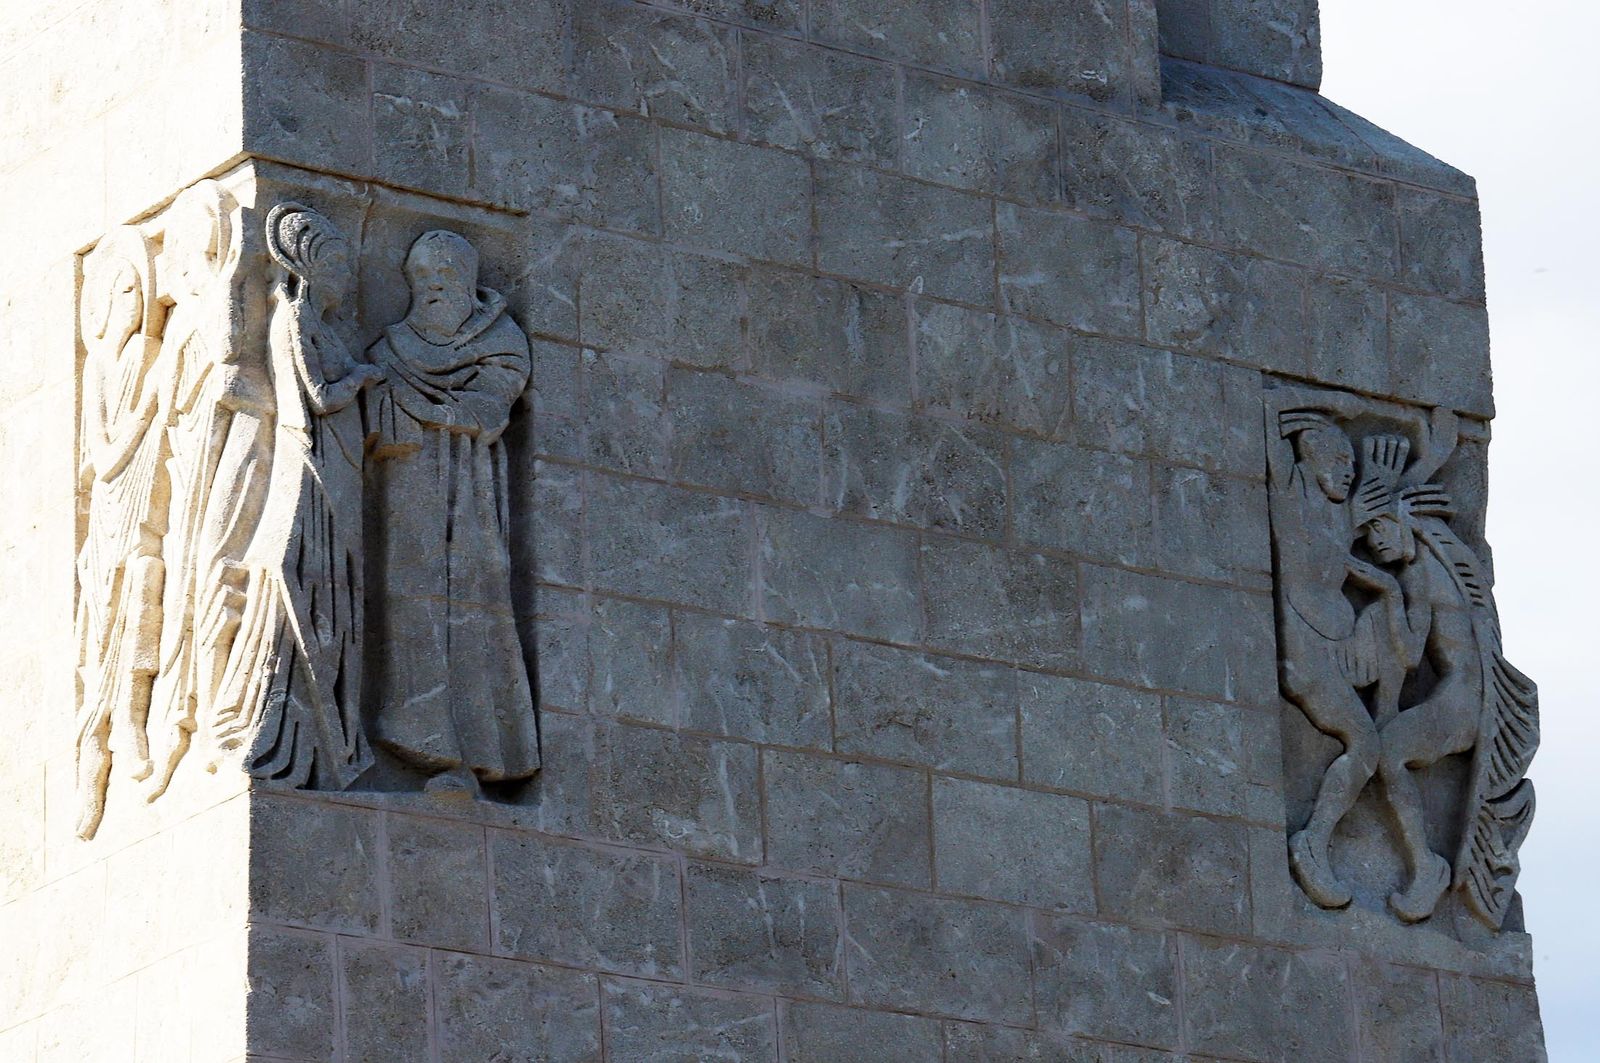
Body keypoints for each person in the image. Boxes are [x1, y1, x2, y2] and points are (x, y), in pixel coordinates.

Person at [212, 204, 383, 788]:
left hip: (336, 465)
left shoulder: (320, 325)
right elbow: (319, 394)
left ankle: (328, 732)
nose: (347, 283)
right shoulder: (293, 320)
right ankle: (288, 730)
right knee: (303, 574)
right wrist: (364, 377)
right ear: (311, 269)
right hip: (310, 463)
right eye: (338, 269)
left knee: (329, 585)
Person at [365, 229, 538, 794]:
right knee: (408, 604)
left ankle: (484, 750)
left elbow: (489, 407)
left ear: (467, 282)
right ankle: (418, 735)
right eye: (423, 280)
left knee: (476, 611)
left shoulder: (501, 341)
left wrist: (423, 406)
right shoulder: (390, 348)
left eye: (446, 279)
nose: (434, 290)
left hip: (472, 500)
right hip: (405, 495)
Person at [1359, 456, 1538, 925]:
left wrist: (1385, 591)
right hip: (1466, 694)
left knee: (1387, 753)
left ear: (1403, 524)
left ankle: (1427, 867)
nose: (1373, 542)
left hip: (1461, 700)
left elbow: (1412, 651)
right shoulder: (1439, 563)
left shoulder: (1417, 574)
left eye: (1378, 527)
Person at [1266, 390, 1409, 909]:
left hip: (1340, 648)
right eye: (1338, 461)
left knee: (1388, 625)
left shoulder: (1333, 513)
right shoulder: (1290, 495)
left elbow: (1345, 565)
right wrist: (1320, 403)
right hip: (1308, 657)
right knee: (1364, 746)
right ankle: (1313, 842)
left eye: (1350, 464)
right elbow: (1260, 418)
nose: (1347, 472)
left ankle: (1393, 715)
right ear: (1312, 458)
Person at [74, 227, 168, 838]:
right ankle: (93, 744)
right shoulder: (104, 370)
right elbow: (104, 459)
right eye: (124, 289)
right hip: (111, 509)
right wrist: (145, 412)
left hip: (146, 509)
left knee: (146, 590)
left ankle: (134, 719)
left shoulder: (146, 355)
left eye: (141, 288)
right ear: (104, 303)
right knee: (102, 620)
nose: (135, 299)